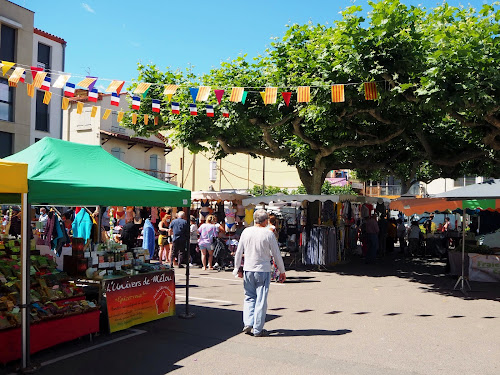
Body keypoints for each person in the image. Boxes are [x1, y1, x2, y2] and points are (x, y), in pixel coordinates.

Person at [233, 209, 286, 337]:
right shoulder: (268, 234)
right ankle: (257, 328)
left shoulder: (246, 231)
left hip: (248, 268)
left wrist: (236, 268)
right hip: (263, 269)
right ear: (265, 221)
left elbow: (239, 251)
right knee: (261, 299)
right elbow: (276, 254)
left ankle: (248, 322)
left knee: (249, 297)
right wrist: (282, 270)